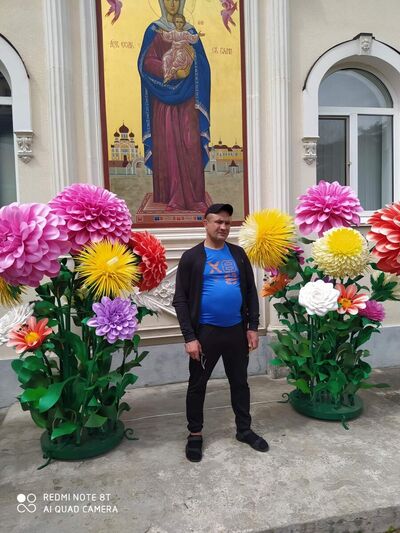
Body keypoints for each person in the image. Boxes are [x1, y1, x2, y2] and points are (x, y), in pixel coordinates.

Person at [173, 203, 269, 462]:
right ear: (205, 223)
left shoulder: (238, 254)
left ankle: (244, 429)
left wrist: (252, 327)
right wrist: (189, 338)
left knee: (240, 383)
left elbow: (250, 292)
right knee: (197, 385)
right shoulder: (192, 257)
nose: (223, 227)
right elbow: (180, 300)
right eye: (218, 221)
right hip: (206, 334)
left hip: (236, 331)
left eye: (227, 222)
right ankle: (195, 434)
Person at [138, 0, 210, 212]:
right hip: (163, 101)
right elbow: (146, 62)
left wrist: (190, 65)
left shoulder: (190, 31)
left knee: (190, 143)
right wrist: (169, 70)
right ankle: (172, 197)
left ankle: (194, 197)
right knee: (167, 145)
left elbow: (203, 65)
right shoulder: (155, 30)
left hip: (188, 101)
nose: (172, 3)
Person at [157, 14, 203, 84]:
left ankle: (172, 72)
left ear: (183, 23)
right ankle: (167, 75)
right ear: (174, 23)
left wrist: (198, 35)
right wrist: (162, 32)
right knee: (166, 57)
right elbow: (168, 35)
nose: (179, 24)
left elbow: (192, 38)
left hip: (182, 50)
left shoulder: (185, 33)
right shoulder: (173, 32)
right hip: (173, 50)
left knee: (179, 57)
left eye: (181, 22)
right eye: (177, 22)